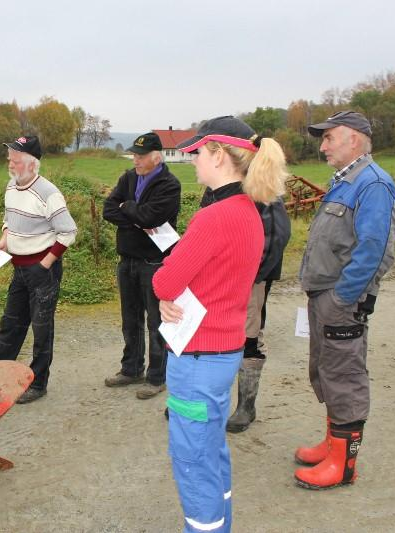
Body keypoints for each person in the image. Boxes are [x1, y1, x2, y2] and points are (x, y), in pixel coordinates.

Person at [152, 116, 287, 532]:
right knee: (211, 449)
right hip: (225, 348)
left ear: (219, 154)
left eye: (197, 152)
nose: (191, 160)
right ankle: (221, 521)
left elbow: (166, 280)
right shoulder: (248, 209)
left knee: (193, 459)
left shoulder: (215, 216)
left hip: (197, 356)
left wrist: (167, 290)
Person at [294, 111, 395, 490]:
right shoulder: (345, 182)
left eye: (329, 138)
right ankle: (332, 443)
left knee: (344, 376)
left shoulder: (372, 184)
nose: (322, 146)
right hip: (325, 295)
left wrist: (343, 298)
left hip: (341, 300)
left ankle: (343, 464)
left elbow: (374, 251)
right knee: (325, 370)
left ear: (353, 139)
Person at [0, 136, 77, 404]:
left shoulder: (49, 193)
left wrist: (46, 264)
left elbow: (69, 232)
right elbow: (9, 218)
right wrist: (5, 238)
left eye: (15, 159)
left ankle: (38, 383)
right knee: (10, 325)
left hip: (42, 271)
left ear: (31, 164)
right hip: (18, 268)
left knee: (41, 330)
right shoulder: (10, 186)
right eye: (10, 158)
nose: (10, 163)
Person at [102, 132, 181, 399]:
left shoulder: (170, 184)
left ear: (156, 157)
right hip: (127, 259)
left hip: (155, 262)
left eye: (140, 156)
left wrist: (129, 209)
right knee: (130, 319)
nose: (135, 160)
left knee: (156, 322)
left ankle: (156, 377)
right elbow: (108, 210)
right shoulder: (128, 177)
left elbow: (153, 217)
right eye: (134, 155)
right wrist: (135, 216)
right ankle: (131, 368)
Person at [216, 194, 291, 433]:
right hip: (220, 276)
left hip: (251, 278)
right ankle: (209, 400)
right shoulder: (219, 184)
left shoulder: (263, 187)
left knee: (250, 337)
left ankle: (246, 406)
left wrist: (252, 273)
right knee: (217, 334)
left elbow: (275, 238)